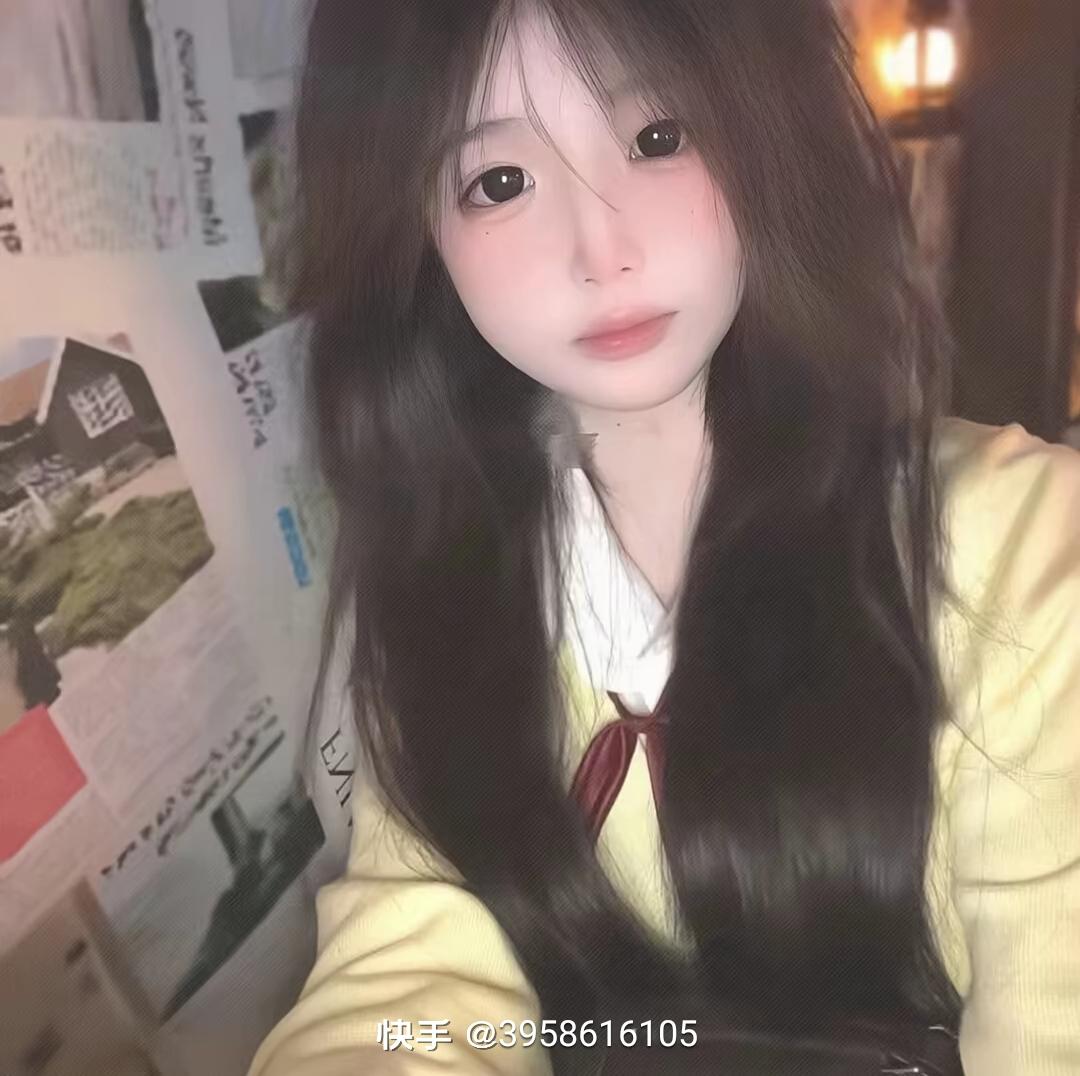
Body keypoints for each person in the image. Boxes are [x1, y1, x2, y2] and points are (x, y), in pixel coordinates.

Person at [246, 1, 1080, 1073]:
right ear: (418, 232)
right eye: (498, 182)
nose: (602, 251)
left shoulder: (1023, 549)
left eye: (658, 136)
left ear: (768, 126)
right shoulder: (449, 588)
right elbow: (406, 1005)